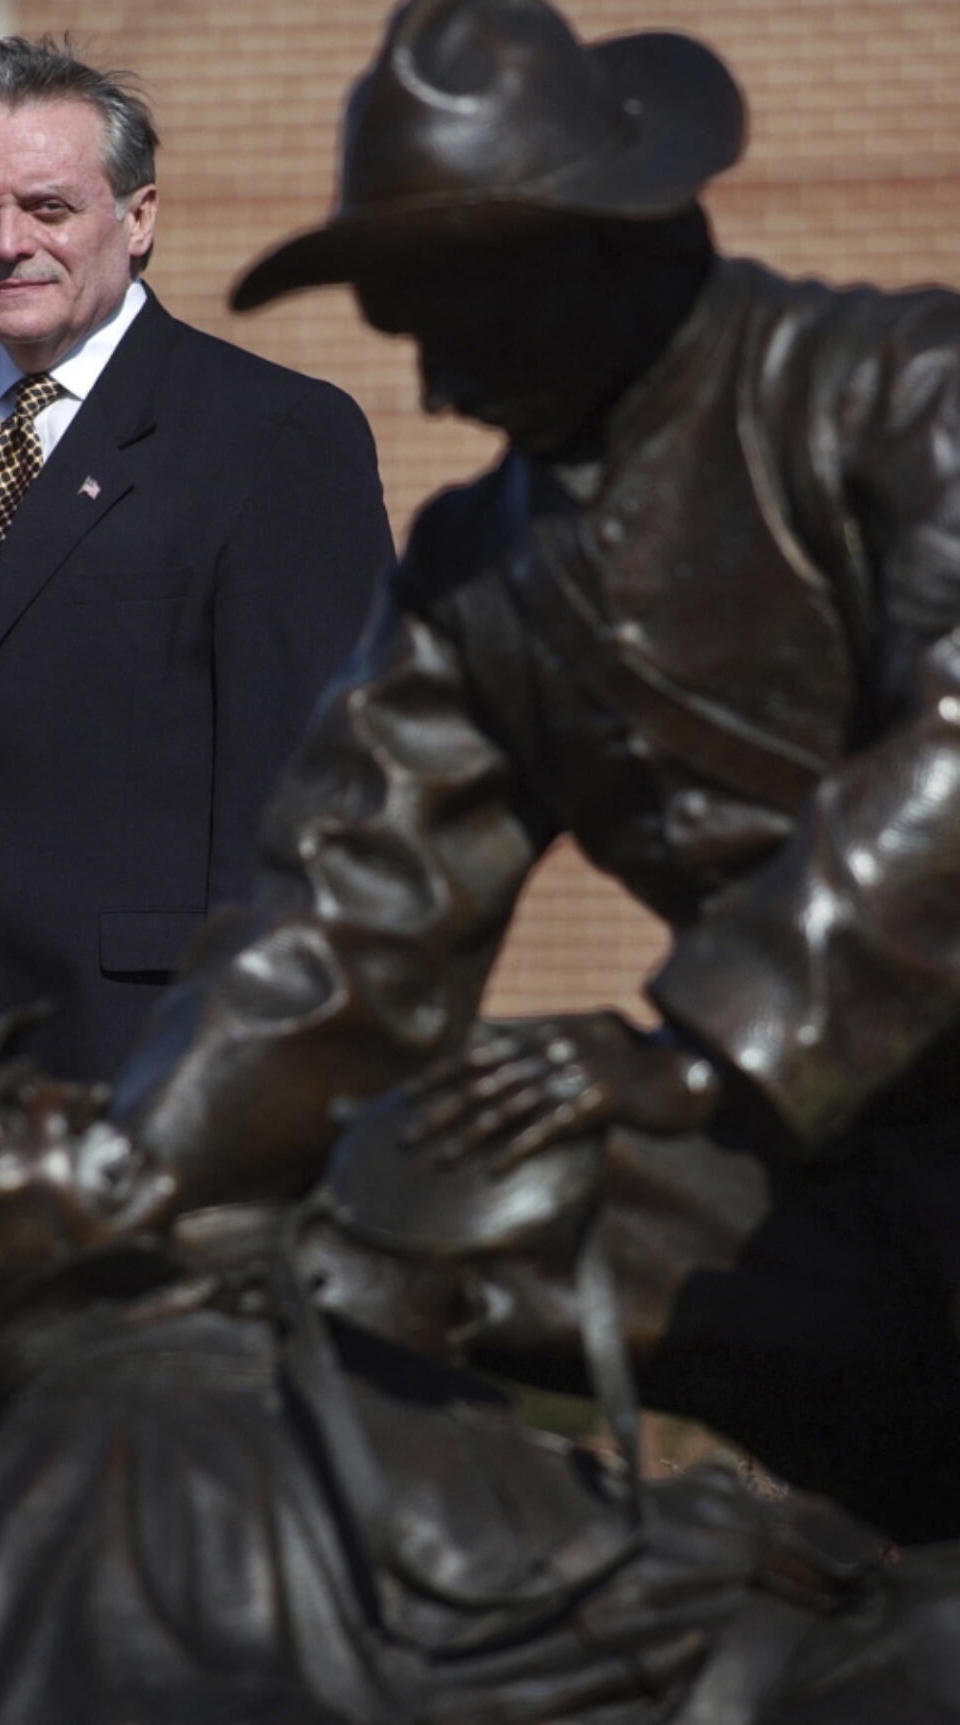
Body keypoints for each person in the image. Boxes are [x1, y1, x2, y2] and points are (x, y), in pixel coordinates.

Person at [66, 0, 960, 1545]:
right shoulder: (476, 570)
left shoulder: (900, 394)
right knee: (375, 1195)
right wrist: (117, 1201)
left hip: (810, 1090)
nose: (430, 388)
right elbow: (338, 924)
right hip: (827, 1194)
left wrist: (696, 1047)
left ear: (602, 246)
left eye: (457, 320)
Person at [0, 33, 392, 1494]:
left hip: (140, 1099)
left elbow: (324, 789)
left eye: (48, 206)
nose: (7, 242)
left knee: (160, 1529)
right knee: (4, 1527)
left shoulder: (268, 435)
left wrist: (251, 1094)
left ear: (137, 214)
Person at [0, 961, 960, 1725]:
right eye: (0, 1124)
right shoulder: (174, 1444)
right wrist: (777, 1544)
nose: (63, 1101)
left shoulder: (185, 1374)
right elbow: (564, 1601)